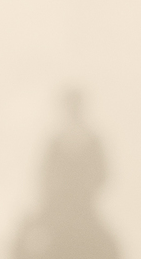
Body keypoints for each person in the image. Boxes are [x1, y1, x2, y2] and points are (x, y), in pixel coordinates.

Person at [38, 87, 107, 227]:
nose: (72, 111)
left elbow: (102, 173)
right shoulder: (55, 142)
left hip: (85, 204)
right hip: (56, 204)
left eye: (76, 107)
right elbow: (44, 174)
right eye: (69, 107)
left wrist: (86, 189)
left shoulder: (92, 141)